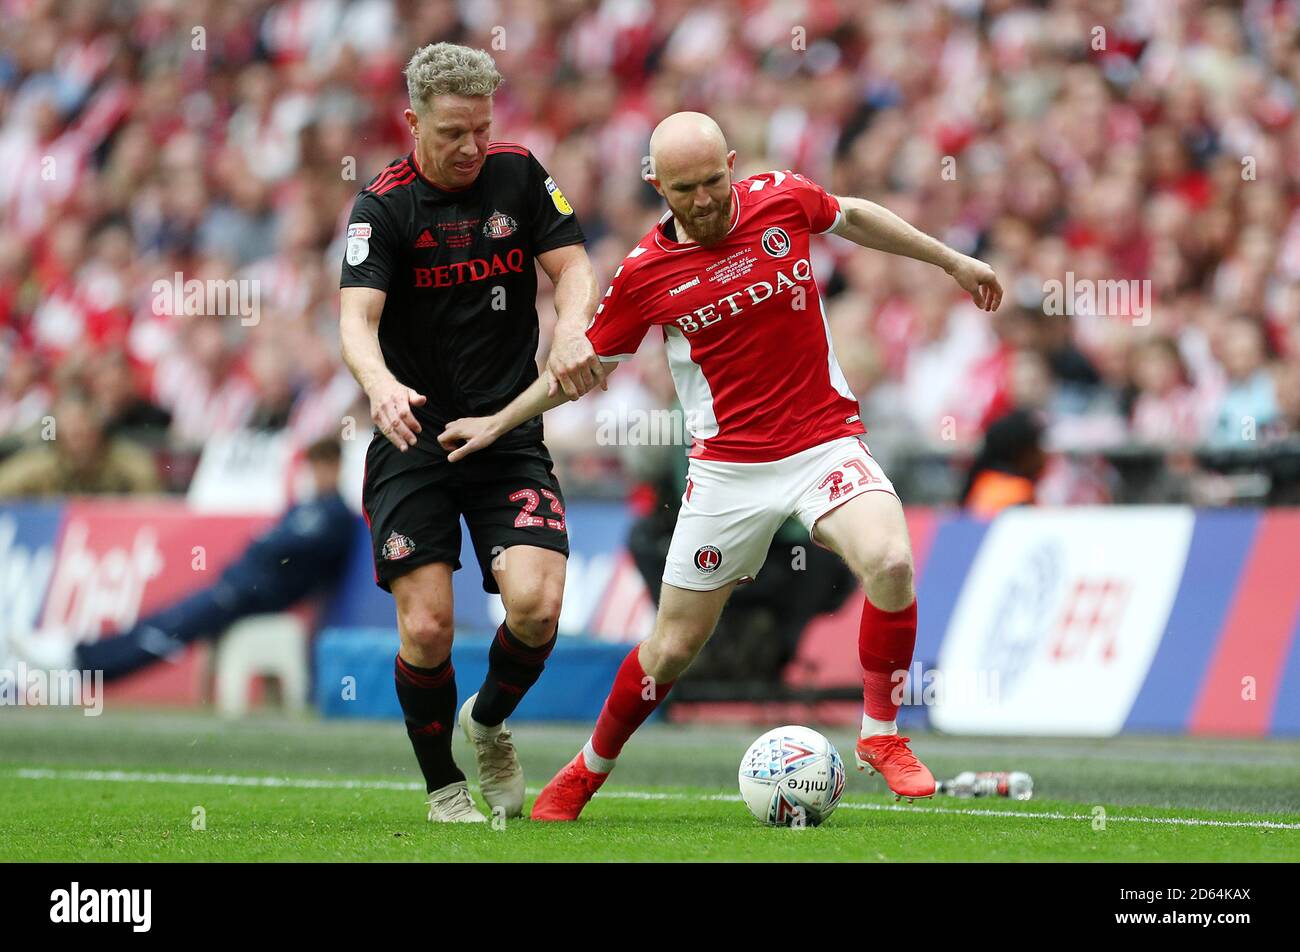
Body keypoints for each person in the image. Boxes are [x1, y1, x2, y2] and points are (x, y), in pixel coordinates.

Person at [438, 112, 1003, 820]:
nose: (703, 201)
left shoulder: (781, 198)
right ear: (655, 184)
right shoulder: (645, 274)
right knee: (672, 648)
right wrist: (496, 420)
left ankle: (882, 737)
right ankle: (586, 770)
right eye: (684, 189)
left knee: (889, 560)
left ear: (732, 164)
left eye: (712, 181)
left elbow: (852, 215)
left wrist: (951, 260)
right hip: (728, 471)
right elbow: (579, 373)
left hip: (823, 441)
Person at [337, 44, 604, 823]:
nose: (470, 148)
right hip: (413, 435)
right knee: (425, 626)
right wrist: (381, 386)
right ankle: (443, 786)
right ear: (412, 121)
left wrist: (572, 326)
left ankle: (486, 721)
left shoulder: (518, 174)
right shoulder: (381, 208)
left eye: (482, 130)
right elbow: (356, 320)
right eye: (453, 133)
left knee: (537, 608)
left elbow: (576, 267)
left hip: (505, 431)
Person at [7, 438, 354, 682]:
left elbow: (276, 545)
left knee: (167, 630)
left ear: (338, 466)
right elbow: (266, 543)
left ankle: (82, 663)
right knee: (162, 622)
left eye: (326, 465)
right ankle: (78, 656)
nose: (320, 472)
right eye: (315, 465)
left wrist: (271, 543)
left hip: (257, 597)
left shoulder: (336, 514)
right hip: (239, 587)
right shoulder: (304, 507)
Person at [0, 390, 161, 498]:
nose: (77, 430)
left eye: (84, 424)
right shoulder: (41, 465)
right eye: (71, 427)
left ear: (99, 426)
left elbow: (152, 502)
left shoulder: (128, 464)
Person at [958, 409, 1047, 517]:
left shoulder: (985, 481)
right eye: (1038, 445)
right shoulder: (1013, 492)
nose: (1043, 454)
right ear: (1022, 453)